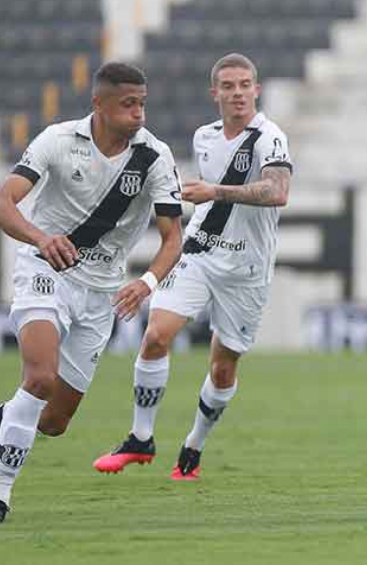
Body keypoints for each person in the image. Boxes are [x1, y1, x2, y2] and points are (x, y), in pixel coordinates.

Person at [0, 62, 184, 524]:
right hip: (44, 270)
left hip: (102, 292)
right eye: (128, 104)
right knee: (39, 378)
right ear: (100, 104)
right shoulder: (57, 140)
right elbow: (0, 204)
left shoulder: (154, 156)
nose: (139, 114)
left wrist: (146, 283)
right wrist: (40, 239)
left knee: (52, 421)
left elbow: (173, 239)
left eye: (143, 104)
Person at [92, 53, 292, 480]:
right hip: (199, 253)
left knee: (222, 368)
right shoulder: (205, 137)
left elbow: (277, 191)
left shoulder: (270, 137)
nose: (237, 93)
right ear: (214, 93)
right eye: (228, 86)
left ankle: (193, 446)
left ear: (256, 90)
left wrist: (215, 191)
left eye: (244, 85)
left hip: (246, 270)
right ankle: (141, 438)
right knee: (156, 336)